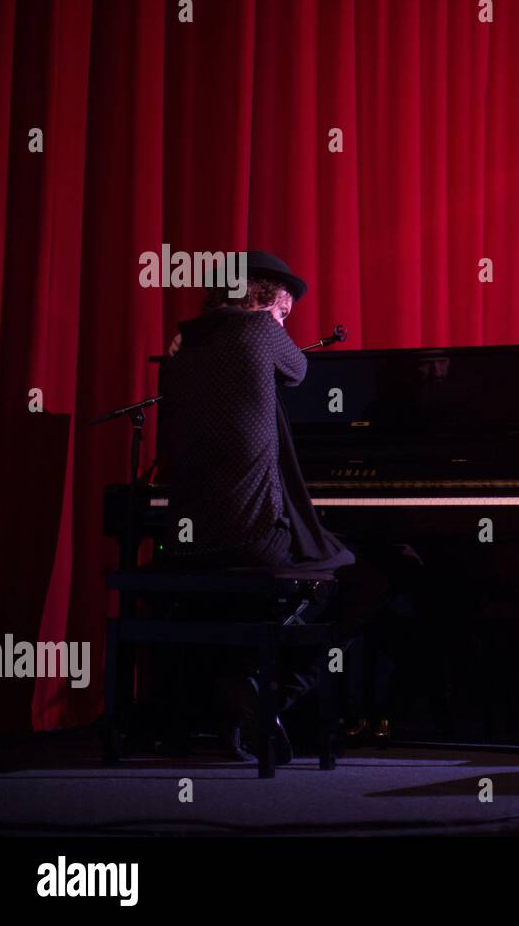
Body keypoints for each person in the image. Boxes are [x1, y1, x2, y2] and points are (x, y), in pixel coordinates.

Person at [158, 251, 393, 761]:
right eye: (284, 313)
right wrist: (269, 324)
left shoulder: (178, 350)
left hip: (189, 539)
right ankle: (273, 695)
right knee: (369, 580)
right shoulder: (259, 331)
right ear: (259, 299)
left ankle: (233, 695)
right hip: (253, 534)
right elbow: (300, 368)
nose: (284, 325)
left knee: (280, 585)